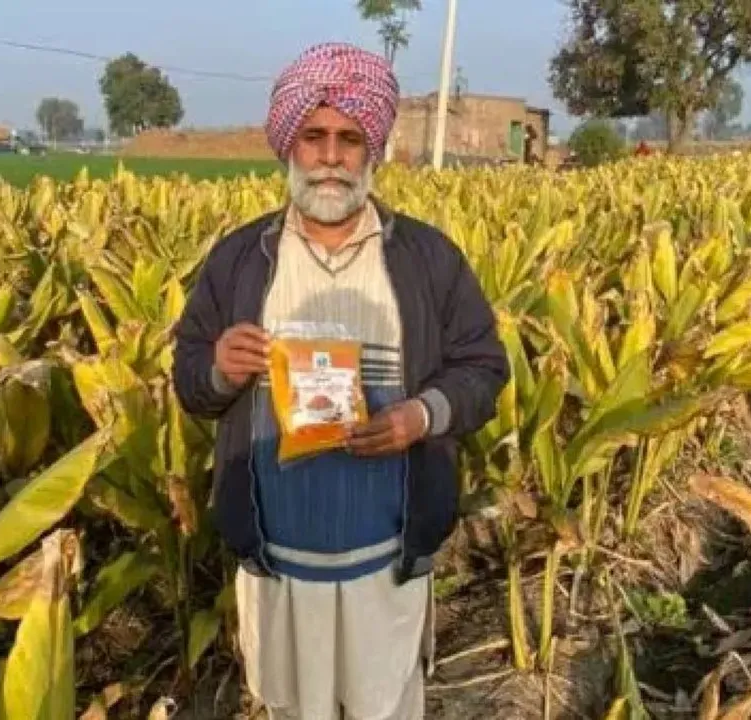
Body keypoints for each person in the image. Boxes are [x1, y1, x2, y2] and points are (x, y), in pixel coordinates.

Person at [171, 42, 509, 720]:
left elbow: (483, 366)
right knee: (290, 707)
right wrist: (218, 369)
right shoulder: (240, 259)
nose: (331, 155)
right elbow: (190, 382)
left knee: (385, 707)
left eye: (350, 139)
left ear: (372, 150)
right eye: (314, 136)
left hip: (386, 560)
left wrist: (422, 415)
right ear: (288, 147)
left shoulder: (427, 258)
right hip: (276, 563)